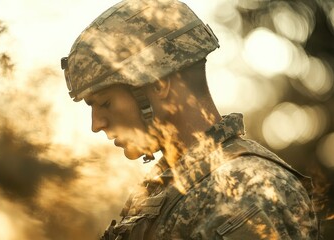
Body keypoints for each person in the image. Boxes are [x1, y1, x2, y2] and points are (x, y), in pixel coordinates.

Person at [60, 0, 319, 239]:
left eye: (105, 103)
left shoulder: (245, 190)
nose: (96, 125)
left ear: (159, 85)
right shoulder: (170, 187)